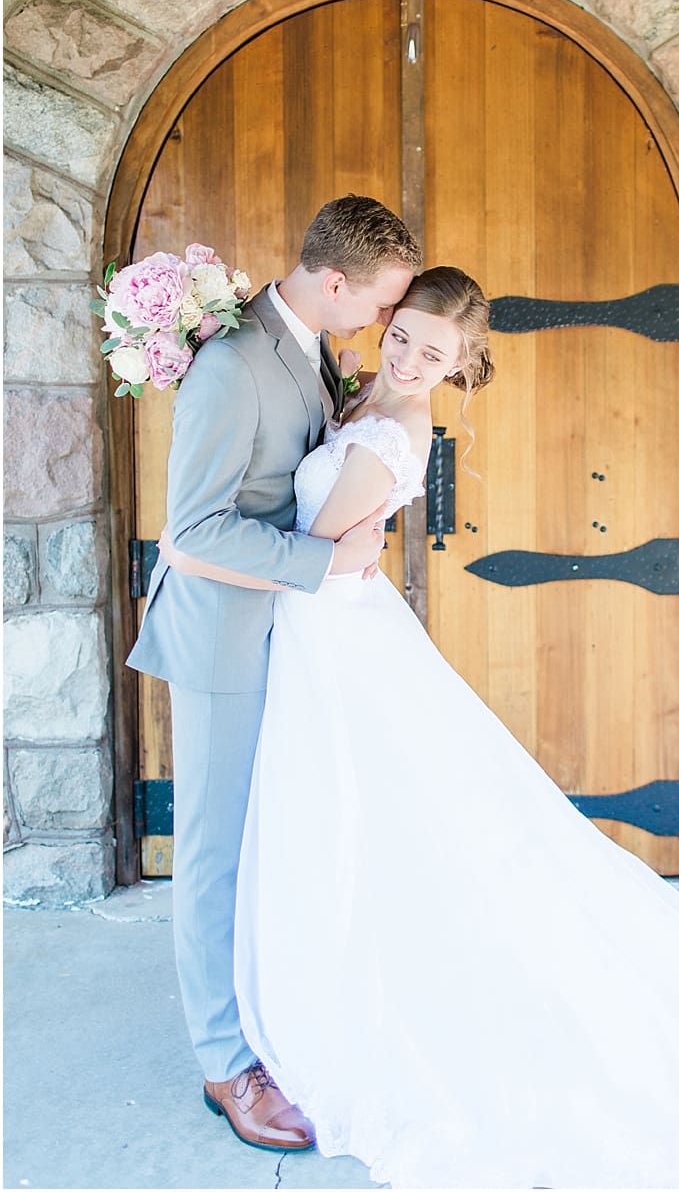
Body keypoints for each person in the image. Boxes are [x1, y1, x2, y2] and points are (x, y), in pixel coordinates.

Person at [158, 266, 679, 1188]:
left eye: (434, 354)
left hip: (332, 637)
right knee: (348, 818)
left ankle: (346, 998)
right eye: (402, 338)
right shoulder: (350, 392)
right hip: (315, 638)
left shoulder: (391, 429)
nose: (410, 357)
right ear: (383, 323)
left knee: (370, 816)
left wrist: (331, 545)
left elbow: (331, 557)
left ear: (464, 363)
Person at [128, 193, 420, 1151]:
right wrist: (327, 562)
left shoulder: (304, 344)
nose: (382, 324)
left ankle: (270, 1015)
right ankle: (225, 1066)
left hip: (279, 636)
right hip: (221, 638)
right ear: (334, 282)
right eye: (379, 305)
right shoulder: (232, 364)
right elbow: (194, 532)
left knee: (269, 839)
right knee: (213, 855)